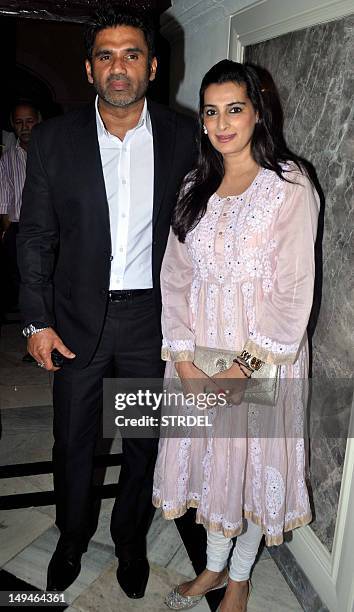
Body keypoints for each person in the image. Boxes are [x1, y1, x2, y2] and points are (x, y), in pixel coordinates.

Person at [17, 6, 196, 598]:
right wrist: (36, 322)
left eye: (131, 54)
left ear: (152, 65)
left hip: (150, 321)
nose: (118, 67)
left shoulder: (184, 136)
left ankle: (128, 541)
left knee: (143, 440)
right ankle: (71, 538)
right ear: (89, 70)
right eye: (105, 56)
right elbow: (37, 237)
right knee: (73, 440)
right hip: (74, 320)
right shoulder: (52, 140)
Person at [153, 60, 319, 612]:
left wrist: (241, 369)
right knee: (213, 468)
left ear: (257, 112)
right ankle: (213, 568)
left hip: (260, 361)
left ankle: (241, 577)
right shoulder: (193, 184)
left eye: (235, 108)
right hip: (198, 356)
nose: (222, 123)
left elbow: (294, 290)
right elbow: (174, 276)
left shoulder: (289, 185)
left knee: (248, 470)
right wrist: (181, 357)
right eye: (211, 111)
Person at [0, 102, 41, 315]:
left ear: (39, 121)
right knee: (22, 281)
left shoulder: (50, 152)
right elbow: (4, 201)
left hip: (48, 227)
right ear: (12, 125)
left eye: (29, 121)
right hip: (19, 229)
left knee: (46, 279)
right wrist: (7, 232)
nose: (24, 127)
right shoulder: (7, 158)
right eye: (19, 122)